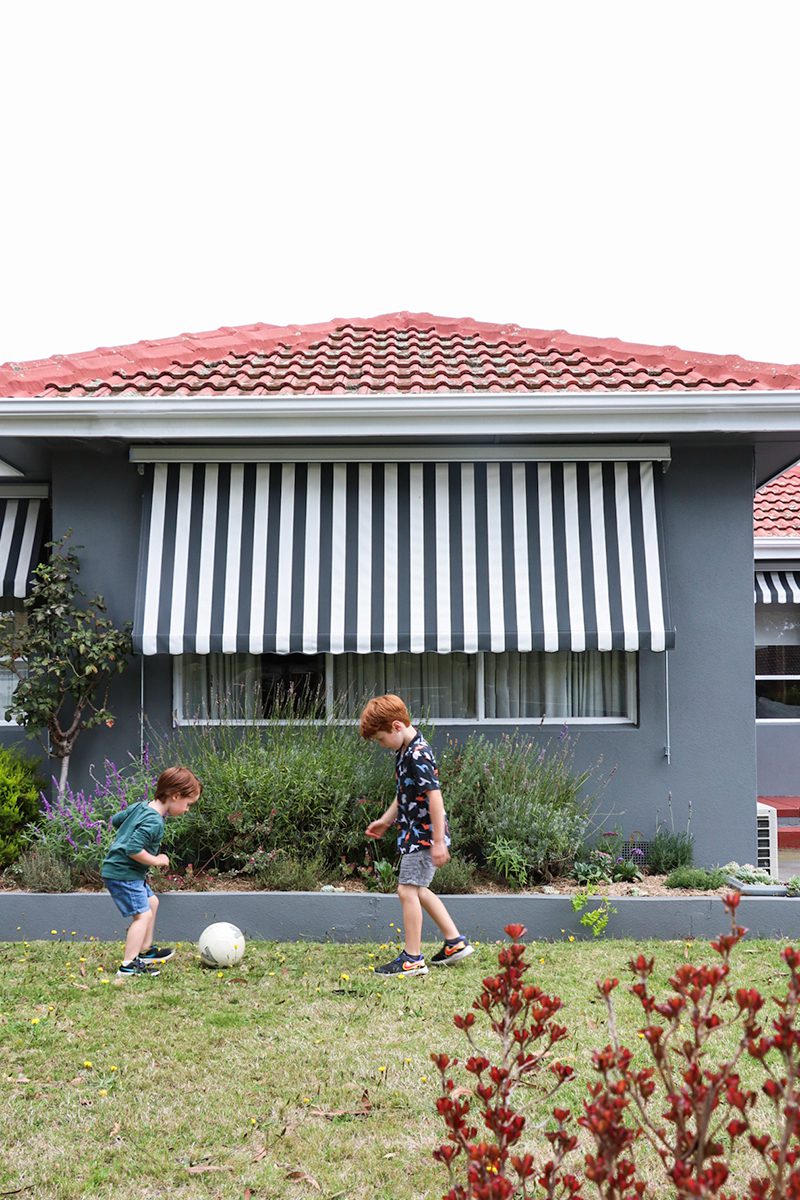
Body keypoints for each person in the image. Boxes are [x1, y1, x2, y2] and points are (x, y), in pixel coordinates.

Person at [360, 694, 473, 977]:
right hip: (416, 834)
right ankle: (455, 942)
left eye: (381, 739)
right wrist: (386, 821)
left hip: (423, 836)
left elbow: (435, 798)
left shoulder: (418, 754)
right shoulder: (405, 752)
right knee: (418, 890)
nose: (382, 745)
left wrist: (436, 841)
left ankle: (412, 959)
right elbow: (405, 795)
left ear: (396, 726)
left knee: (406, 890)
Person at [101, 766, 202, 978]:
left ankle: (145, 950)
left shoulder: (141, 807)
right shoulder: (154, 821)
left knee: (152, 902)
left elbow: (116, 820)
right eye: (188, 804)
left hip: (126, 872)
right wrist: (157, 860)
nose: (187, 809)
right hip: (123, 873)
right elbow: (133, 849)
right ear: (175, 796)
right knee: (142, 915)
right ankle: (128, 965)